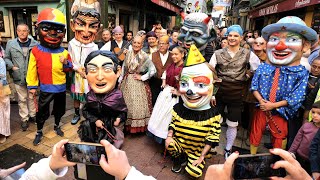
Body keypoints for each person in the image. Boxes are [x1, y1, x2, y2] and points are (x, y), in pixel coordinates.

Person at [250, 16, 316, 154]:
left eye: (292, 40)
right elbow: (254, 86)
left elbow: (297, 97)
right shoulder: (263, 68)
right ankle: (252, 157)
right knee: (255, 133)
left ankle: (277, 161)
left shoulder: (301, 73)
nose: (280, 46)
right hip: (262, 107)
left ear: (305, 46)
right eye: (274, 39)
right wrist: (262, 101)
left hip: (281, 111)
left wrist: (273, 105)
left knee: (279, 136)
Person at [166, 45, 221, 178]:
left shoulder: (212, 116)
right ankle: (179, 158)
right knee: (170, 144)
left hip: (197, 151)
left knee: (194, 172)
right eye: (184, 84)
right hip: (181, 145)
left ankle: (194, 159)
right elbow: (173, 124)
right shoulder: (179, 109)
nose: (190, 91)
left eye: (200, 85)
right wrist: (169, 135)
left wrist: (202, 156)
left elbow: (211, 138)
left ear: (214, 87)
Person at [209, 25, 260, 159]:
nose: (232, 38)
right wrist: (212, 93)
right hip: (219, 91)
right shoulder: (217, 53)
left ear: (241, 38)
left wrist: (247, 76)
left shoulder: (248, 54)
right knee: (215, 121)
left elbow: (257, 69)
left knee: (233, 123)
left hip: (237, 92)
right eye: (230, 35)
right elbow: (210, 72)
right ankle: (212, 146)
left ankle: (228, 149)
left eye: (235, 36)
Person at [26, 8, 73, 146]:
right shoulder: (35, 51)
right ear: (38, 29)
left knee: (59, 110)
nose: (52, 33)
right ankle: (39, 131)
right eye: (47, 28)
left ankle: (57, 125)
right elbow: (31, 70)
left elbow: (69, 69)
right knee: (42, 111)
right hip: (46, 88)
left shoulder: (64, 52)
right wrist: (32, 86)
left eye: (58, 30)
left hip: (60, 88)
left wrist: (67, 63)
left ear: (63, 33)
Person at [78, 50, 127, 144]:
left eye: (107, 69)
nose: (100, 77)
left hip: (110, 128)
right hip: (93, 128)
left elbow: (123, 111)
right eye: (92, 70)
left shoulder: (117, 96)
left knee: (110, 147)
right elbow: (85, 111)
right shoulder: (90, 96)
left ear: (118, 71)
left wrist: (119, 119)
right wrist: (95, 120)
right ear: (85, 73)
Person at [69, 8, 100, 125]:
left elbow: (95, 62)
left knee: (89, 95)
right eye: (81, 24)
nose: (86, 32)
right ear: (73, 25)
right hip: (76, 75)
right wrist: (77, 69)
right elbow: (70, 60)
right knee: (76, 95)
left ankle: (88, 114)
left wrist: (88, 71)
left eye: (92, 26)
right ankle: (76, 113)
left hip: (88, 76)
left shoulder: (94, 47)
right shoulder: (72, 44)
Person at [147, 46, 185, 144]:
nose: (174, 56)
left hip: (175, 96)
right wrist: (164, 82)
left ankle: (168, 139)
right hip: (166, 92)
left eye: (176, 54)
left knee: (169, 116)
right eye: (173, 54)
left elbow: (186, 83)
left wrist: (179, 92)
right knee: (160, 114)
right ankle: (157, 136)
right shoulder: (171, 65)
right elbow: (165, 73)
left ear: (183, 54)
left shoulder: (184, 68)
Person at [4, 24, 38, 131]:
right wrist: (12, 67)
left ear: (28, 31)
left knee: (32, 96)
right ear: (17, 32)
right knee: (22, 99)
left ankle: (33, 115)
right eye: (20, 31)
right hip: (18, 76)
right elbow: (6, 58)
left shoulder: (35, 44)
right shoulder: (11, 43)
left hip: (32, 76)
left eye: (24, 31)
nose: (22, 33)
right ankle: (24, 118)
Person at [119, 36, 156, 133]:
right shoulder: (128, 53)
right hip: (127, 82)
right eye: (134, 42)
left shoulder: (144, 56)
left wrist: (142, 77)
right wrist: (120, 79)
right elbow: (124, 67)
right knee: (126, 104)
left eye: (138, 43)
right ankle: (126, 125)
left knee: (136, 105)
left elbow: (153, 70)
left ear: (142, 45)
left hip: (138, 83)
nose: (136, 45)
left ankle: (136, 127)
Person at [288, 101, 320, 174]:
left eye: (319, 113)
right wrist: (291, 152)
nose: (314, 115)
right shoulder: (306, 126)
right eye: (313, 112)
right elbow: (297, 140)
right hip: (300, 157)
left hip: (315, 162)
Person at [149, 35, 173, 106]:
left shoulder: (172, 56)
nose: (161, 45)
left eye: (164, 43)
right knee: (155, 102)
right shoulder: (152, 55)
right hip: (155, 82)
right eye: (160, 43)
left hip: (168, 84)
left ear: (168, 45)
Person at [0, 56, 10, 143]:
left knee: (2, 112)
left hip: (1, 89)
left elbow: (2, 78)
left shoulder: (1, 61)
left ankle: (3, 133)